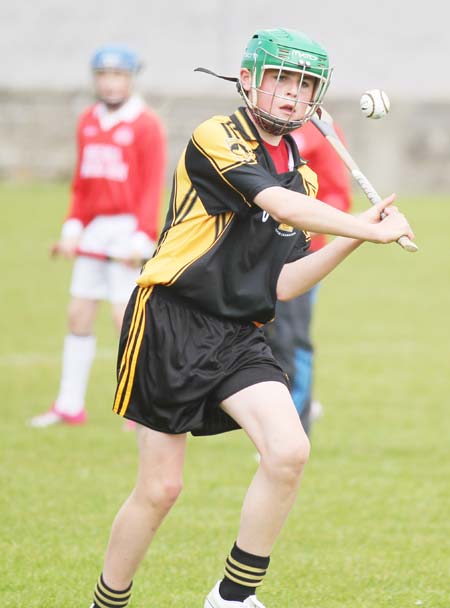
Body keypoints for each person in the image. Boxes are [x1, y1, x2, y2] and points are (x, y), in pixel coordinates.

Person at [87, 28, 414, 608]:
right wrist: (360, 224)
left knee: (289, 451)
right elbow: (274, 203)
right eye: (280, 79)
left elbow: (284, 282)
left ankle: (232, 598)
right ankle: (107, 600)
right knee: (161, 489)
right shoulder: (217, 137)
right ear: (248, 81)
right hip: (171, 320)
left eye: (305, 84)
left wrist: (361, 237)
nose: (292, 93)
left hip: (238, 331)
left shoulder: (304, 174)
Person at [30, 45, 167, 428]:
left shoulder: (145, 124)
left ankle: (140, 406)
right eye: (104, 75)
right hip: (94, 231)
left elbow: (150, 187)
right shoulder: (88, 120)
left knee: (123, 318)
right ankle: (69, 405)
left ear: (130, 79)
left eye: (118, 76)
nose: (110, 83)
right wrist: (73, 228)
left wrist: (141, 238)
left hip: (127, 229)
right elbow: (82, 185)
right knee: (78, 314)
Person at [263, 119, 352, 433]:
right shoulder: (254, 126)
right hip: (256, 250)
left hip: (300, 250)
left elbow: (338, 195)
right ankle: (278, 416)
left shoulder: (322, 130)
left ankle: (295, 425)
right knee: (260, 339)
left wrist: (303, 228)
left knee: (292, 338)